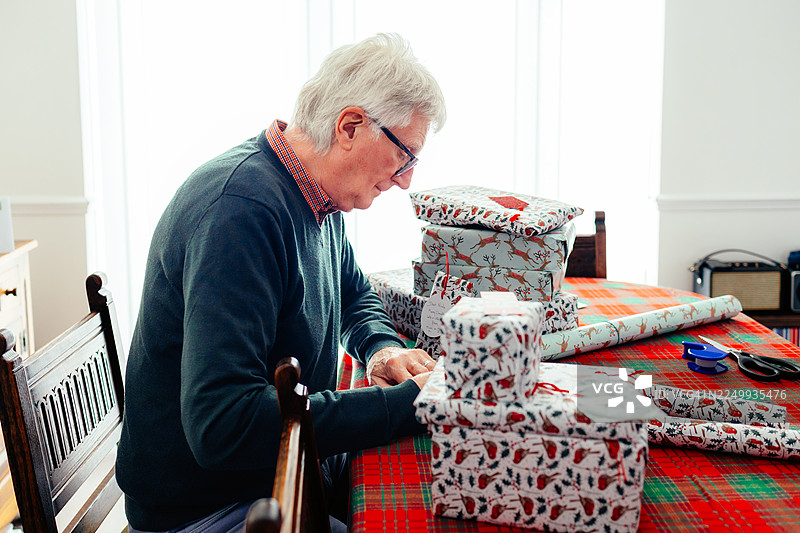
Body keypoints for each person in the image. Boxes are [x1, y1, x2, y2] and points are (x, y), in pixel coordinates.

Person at [115, 33, 446, 532]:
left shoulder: (315, 194)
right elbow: (221, 424)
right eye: (405, 156)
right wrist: (406, 405)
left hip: (276, 470)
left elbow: (353, 293)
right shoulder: (240, 212)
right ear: (351, 126)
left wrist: (380, 349)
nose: (406, 180)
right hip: (214, 506)